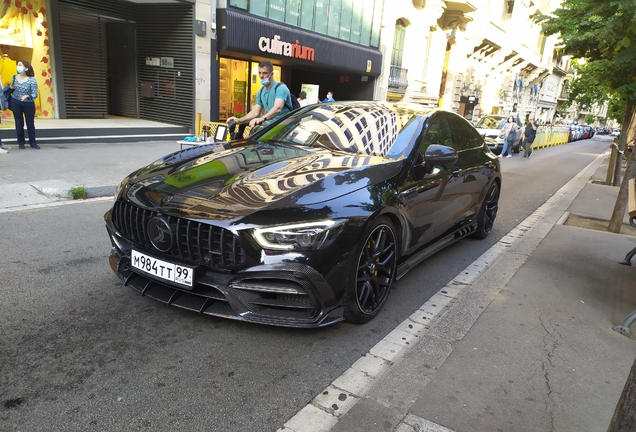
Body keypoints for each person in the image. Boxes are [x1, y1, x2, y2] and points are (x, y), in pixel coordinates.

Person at [226, 60, 293, 129]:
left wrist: (262, 118)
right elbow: (255, 112)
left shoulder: (280, 88)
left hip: (285, 128)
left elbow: (277, 108)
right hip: (270, 126)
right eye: (259, 73)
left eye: (265, 73)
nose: (261, 76)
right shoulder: (261, 91)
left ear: (272, 74)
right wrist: (238, 120)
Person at [10, 60, 39, 149]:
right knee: (19, 123)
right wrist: (11, 88)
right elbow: (11, 90)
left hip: (28, 104)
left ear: (26, 68)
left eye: (20, 65)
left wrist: (27, 96)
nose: (18, 67)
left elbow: (35, 94)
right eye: (17, 65)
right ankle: (21, 142)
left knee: (30, 123)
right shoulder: (14, 78)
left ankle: (32, 142)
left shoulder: (32, 80)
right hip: (16, 102)